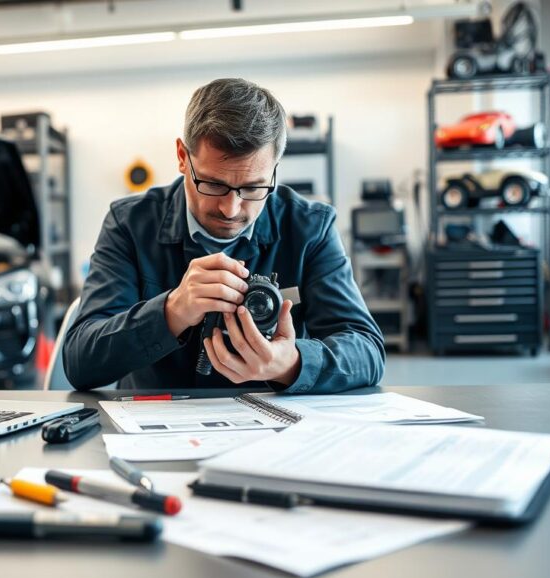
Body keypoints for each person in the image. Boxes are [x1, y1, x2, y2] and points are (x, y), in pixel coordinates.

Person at [63, 78, 384, 392]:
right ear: (181, 157)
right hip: (154, 424)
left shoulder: (310, 228)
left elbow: (366, 350)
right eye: (213, 184)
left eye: (253, 187)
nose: (231, 209)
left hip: (275, 429)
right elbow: (80, 361)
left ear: (275, 169)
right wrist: (172, 310)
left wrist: (291, 364)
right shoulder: (130, 225)